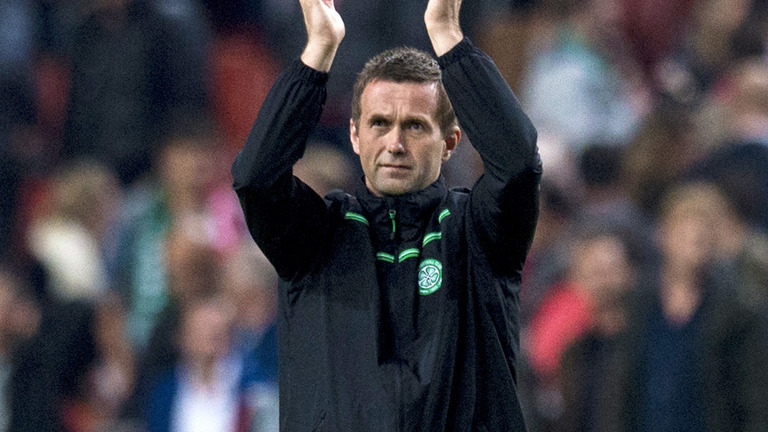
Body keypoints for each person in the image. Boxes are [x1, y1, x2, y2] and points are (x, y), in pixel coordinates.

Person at [231, 0, 541, 430]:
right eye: (379, 123)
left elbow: (519, 163)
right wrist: (318, 52)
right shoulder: (318, 238)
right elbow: (255, 178)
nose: (395, 143)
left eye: (415, 125)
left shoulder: (479, 230)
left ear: (450, 142)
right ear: (355, 136)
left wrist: (448, 36)